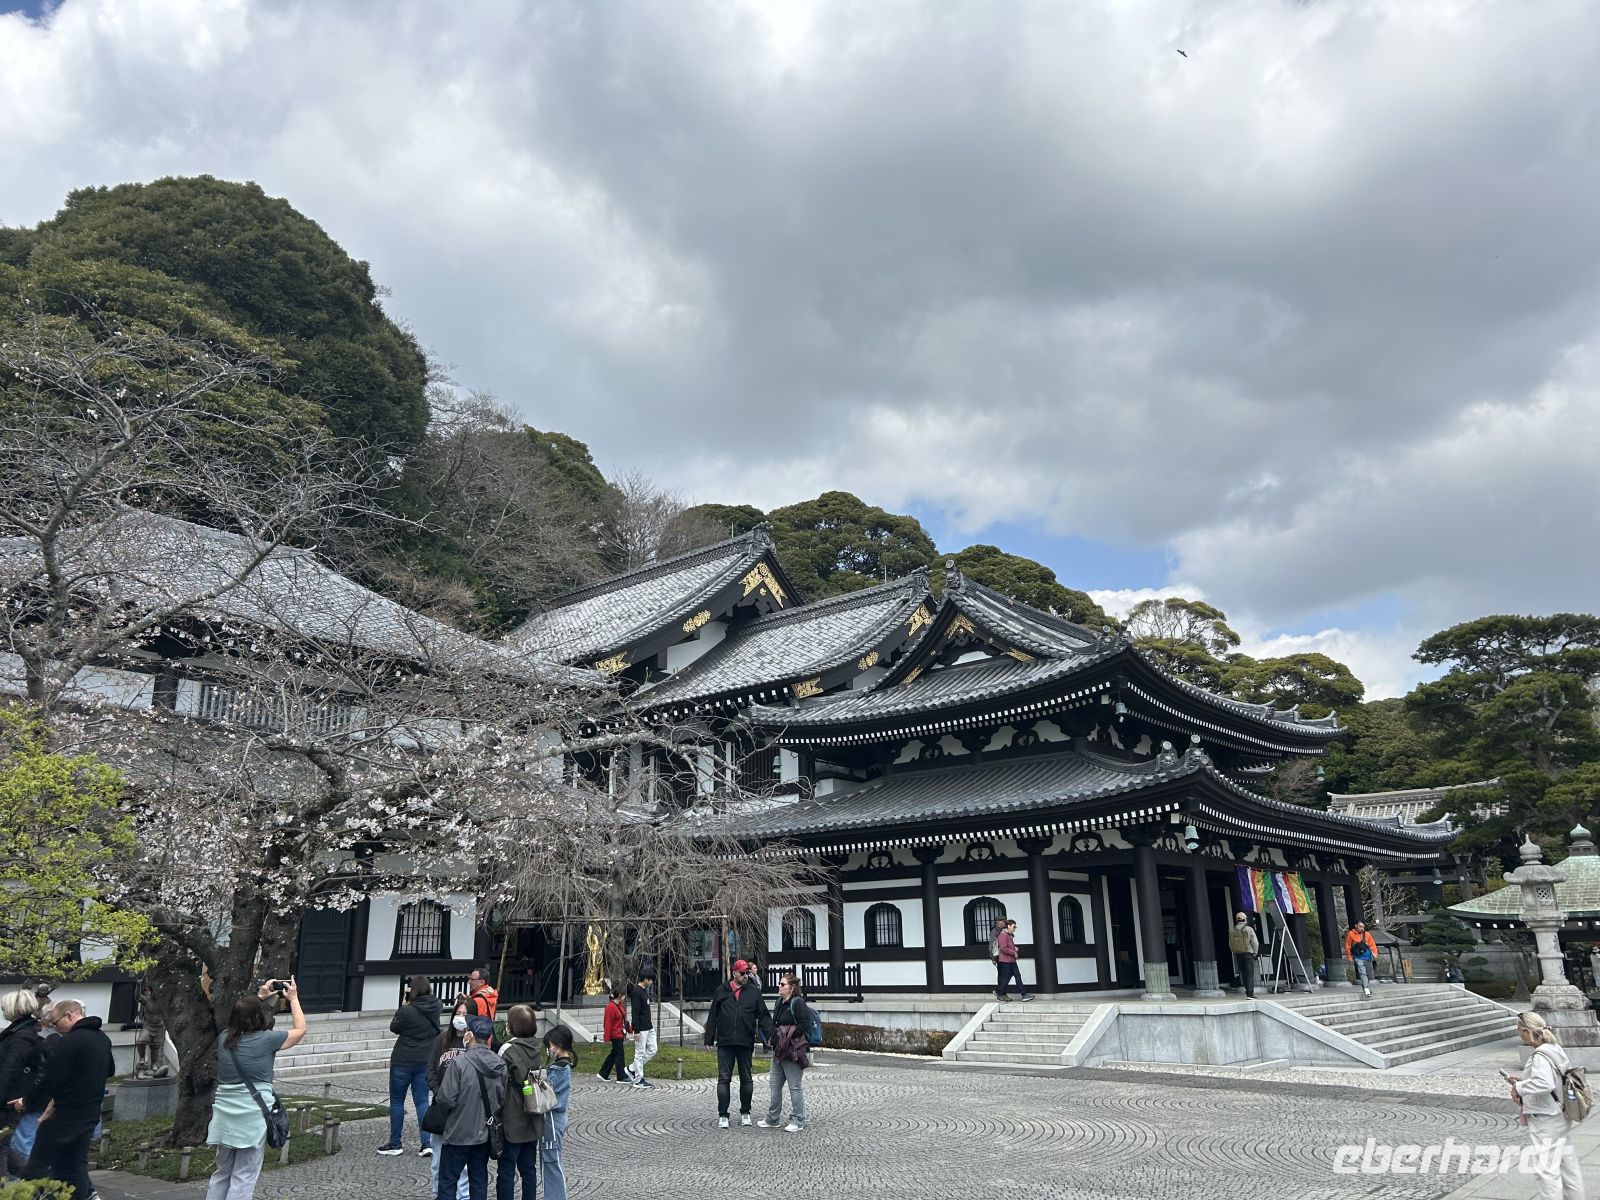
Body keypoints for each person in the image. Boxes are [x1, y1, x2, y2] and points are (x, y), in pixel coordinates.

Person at [203, 979, 305, 1200]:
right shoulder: (268, 1040)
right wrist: (293, 999)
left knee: (222, 1173)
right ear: (259, 1017)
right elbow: (300, 1030)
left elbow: (243, 1014)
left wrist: (259, 996)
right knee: (244, 1175)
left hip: (224, 1118)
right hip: (252, 1118)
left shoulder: (224, 1039)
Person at [22, 999, 115, 1200]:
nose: (55, 1028)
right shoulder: (102, 1038)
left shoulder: (70, 1042)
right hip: (90, 1113)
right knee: (74, 1166)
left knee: (36, 1166)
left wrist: (27, 1102)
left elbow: (51, 1079)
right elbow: (110, 1070)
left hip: (64, 1114)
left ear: (69, 1015)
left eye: (56, 1023)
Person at [1505, 1010, 1585, 1200]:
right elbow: (1553, 1079)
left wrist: (1519, 1086)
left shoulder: (1540, 1054)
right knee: (1568, 1165)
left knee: (1547, 1170)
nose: (1520, 1035)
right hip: (1560, 1112)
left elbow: (1545, 1083)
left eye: (1519, 1031)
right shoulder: (1554, 1047)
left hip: (1546, 1118)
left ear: (1526, 1031)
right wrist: (1525, 1080)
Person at [433, 1016, 506, 1200]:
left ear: (470, 1035)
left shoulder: (459, 1063)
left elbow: (446, 1099)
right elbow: (502, 1097)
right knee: (479, 1179)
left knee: (448, 1181)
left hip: (458, 1131)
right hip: (484, 1133)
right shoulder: (499, 1064)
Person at [704, 959, 773, 1129]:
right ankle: (723, 1115)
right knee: (724, 1078)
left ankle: (745, 1112)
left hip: (745, 1040)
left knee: (746, 1078)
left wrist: (770, 1035)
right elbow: (713, 1015)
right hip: (725, 1042)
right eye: (742, 973)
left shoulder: (753, 992)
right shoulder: (721, 990)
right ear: (734, 973)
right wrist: (709, 1037)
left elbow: (763, 1015)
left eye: (747, 973)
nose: (745, 976)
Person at [380, 974, 441, 1157]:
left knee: (397, 1101)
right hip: (425, 1059)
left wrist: (404, 1004)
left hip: (403, 1059)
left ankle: (395, 1143)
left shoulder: (408, 1010)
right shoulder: (436, 1006)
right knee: (422, 1101)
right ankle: (426, 1143)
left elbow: (394, 1027)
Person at [427, 999, 474, 1200]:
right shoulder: (442, 1040)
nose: (460, 1018)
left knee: (462, 1163)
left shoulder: (473, 1043)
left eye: (465, 1015)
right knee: (437, 1158)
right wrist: (439, 1093)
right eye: (458, 1013)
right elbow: (430, 1070)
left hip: (464, 1109)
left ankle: (463, 1196)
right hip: (441, 1107)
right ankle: (438, 1193)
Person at [495, 1005, 543, 1200]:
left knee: (507, 1169)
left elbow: (498, 1083)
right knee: (528, 1169)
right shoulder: (536, 1048)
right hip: (533, 1114)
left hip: (512, 1117)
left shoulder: (507, 1050)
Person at [0, 989, 46, 1177]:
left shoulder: (21, 1036)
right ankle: (33, 1182)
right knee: (5, 1146)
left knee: (3, 1146)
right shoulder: (22, 1031)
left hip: (10, 1099)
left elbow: (10, 1070)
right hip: (11, 1097)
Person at [757, 974, 811, 1133]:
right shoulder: (779, 1002)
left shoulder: (798, 1003)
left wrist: (788, 1034)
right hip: (779, 1049)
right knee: (774, 1084)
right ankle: (773, 1118)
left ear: (791, 987)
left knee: (794, 1086)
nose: (779, 986)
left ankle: (798, 1119)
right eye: (779, 984)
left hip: (792, 1050)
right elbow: (775, 1024)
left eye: (782, 984)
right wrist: (774, 1037)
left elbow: (804, 1025)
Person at [538, 1025, 573, 1200]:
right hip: (555, 1120)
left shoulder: (559, 1069)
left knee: (551, 1161)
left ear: (557, 1045)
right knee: (550, 1160)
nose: (549, 1049)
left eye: (550, 1045)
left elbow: (547, 1095)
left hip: (552, 1120)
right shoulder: (563, 1066)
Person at [625, 969, 658, 1089]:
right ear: (645, 979)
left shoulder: (644, 991)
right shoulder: (636, 992)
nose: (652, 982)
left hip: (649, 1026)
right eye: (651, 980)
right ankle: (638, 1079)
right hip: (641, 1027)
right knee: (639, 1053)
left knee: (653, 1049)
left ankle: (631, 1069)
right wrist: (636, 1030)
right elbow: (635, 1012)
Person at [995, 919, 1032, 1002]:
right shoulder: (1003, 935)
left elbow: (1007, 946)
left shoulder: (1008, 935)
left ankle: (1024, 995)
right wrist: (1013, 952)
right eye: (1013, 926)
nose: (1015, 928)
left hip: (1011, 960)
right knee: (1006, 978)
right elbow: (1003, 948)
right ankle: (1000, 993)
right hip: (1005, 961)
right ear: (1008, 926)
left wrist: (1014, 948)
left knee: (1017, 976)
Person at [597, 987, 629, 1082]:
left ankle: (603, 1073)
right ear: (619, 996)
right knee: (619, 1056)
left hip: (619, 1033)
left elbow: (623, 1020)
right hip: (615, 1035)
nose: (624, 997)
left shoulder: (619, 1005)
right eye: (623, 996)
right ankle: (621, 1076)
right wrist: (606, 1038)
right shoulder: (611, 1007)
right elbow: (608, 1023)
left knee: (614, 1055)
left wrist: (629, 1029)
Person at [1229, 912, 1260, 999]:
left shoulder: (1232, 930)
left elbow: (1230, 944)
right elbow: (1255, 942)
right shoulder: (1248, 929)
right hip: (1248, 953)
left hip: (1238, 954)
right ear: (1245, 919)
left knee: (1243, 974)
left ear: (1236, 920)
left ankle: (1247, 991)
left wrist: (1234, 951)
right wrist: (1255, 952)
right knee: (1249, 974)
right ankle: (1250, 994)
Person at [1343, 921, 1378, 998]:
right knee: (1362, 973)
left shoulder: (1367, 935)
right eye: (1360, 926)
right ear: (1356, 925)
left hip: (1368, 957)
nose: (1362, 928)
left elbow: (1372, 945)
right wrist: (1349, 956)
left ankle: (1365, 986)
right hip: (1358, 957)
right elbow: (1348, 946)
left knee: (1369, 974)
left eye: (1363, 927)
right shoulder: (1351, 934)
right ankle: (1366, 989)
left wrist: (1375, 953)